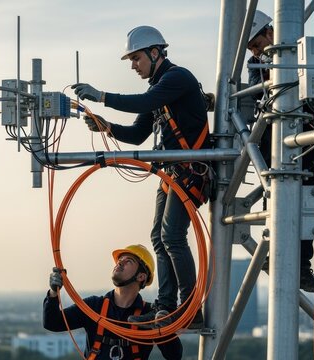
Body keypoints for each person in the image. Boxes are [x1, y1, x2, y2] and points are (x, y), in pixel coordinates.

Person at [71, 26, 209, 328]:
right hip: (172, 172)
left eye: (136, 59)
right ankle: (166, 306)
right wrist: (108, 126)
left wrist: (102, 96)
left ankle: (189, 309)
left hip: (189, 171)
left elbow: (143, 104)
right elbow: (136, 134)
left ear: (155, 53)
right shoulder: (158, 91)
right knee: (159, 239)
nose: (133, 66)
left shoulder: (177, 78)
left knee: (172, 235)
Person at [246, 10, 314, 293]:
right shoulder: (256, 65)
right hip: (272, 139)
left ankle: (301, 268)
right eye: (252, 48)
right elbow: (255, 93)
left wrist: (298, 59)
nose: (255, 51)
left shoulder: (302, 47)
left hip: (308, 136)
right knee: (275, 198)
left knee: (305, 201)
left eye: (257, 44)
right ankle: (272, 254)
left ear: (270, 32)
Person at [43, 244, 183, 359]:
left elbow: (174, 355)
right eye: (119, 260)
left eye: (128, 261)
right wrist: (54, 293)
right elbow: (52, 322)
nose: (119, 263)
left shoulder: (149, 316)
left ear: (141, 276)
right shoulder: (94, 307)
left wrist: (165, 331)